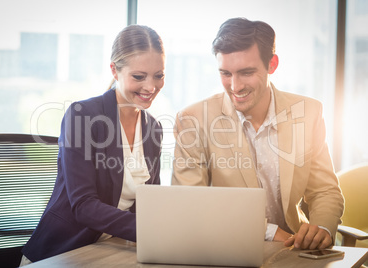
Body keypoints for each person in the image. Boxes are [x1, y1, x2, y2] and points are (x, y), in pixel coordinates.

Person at [172, 17, 344, 250]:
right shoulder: (193, 120)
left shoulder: (308, 113)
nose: (235, 86)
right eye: (225, 73)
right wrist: (271, 232)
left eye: (246, 72)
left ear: (272, 64)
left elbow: (324, 190)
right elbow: (190, 203)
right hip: (226, 248)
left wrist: (321, 228)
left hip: (296, 249)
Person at [20, 24, 165, 264]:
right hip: (63, 252)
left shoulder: (153, 128)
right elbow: (84, 205)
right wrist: (149, 229)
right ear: (115, 71)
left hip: (116, 247)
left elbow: (150, 200)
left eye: (158, 76)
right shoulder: (83, 116)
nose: (151, 87)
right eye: (139, 77)